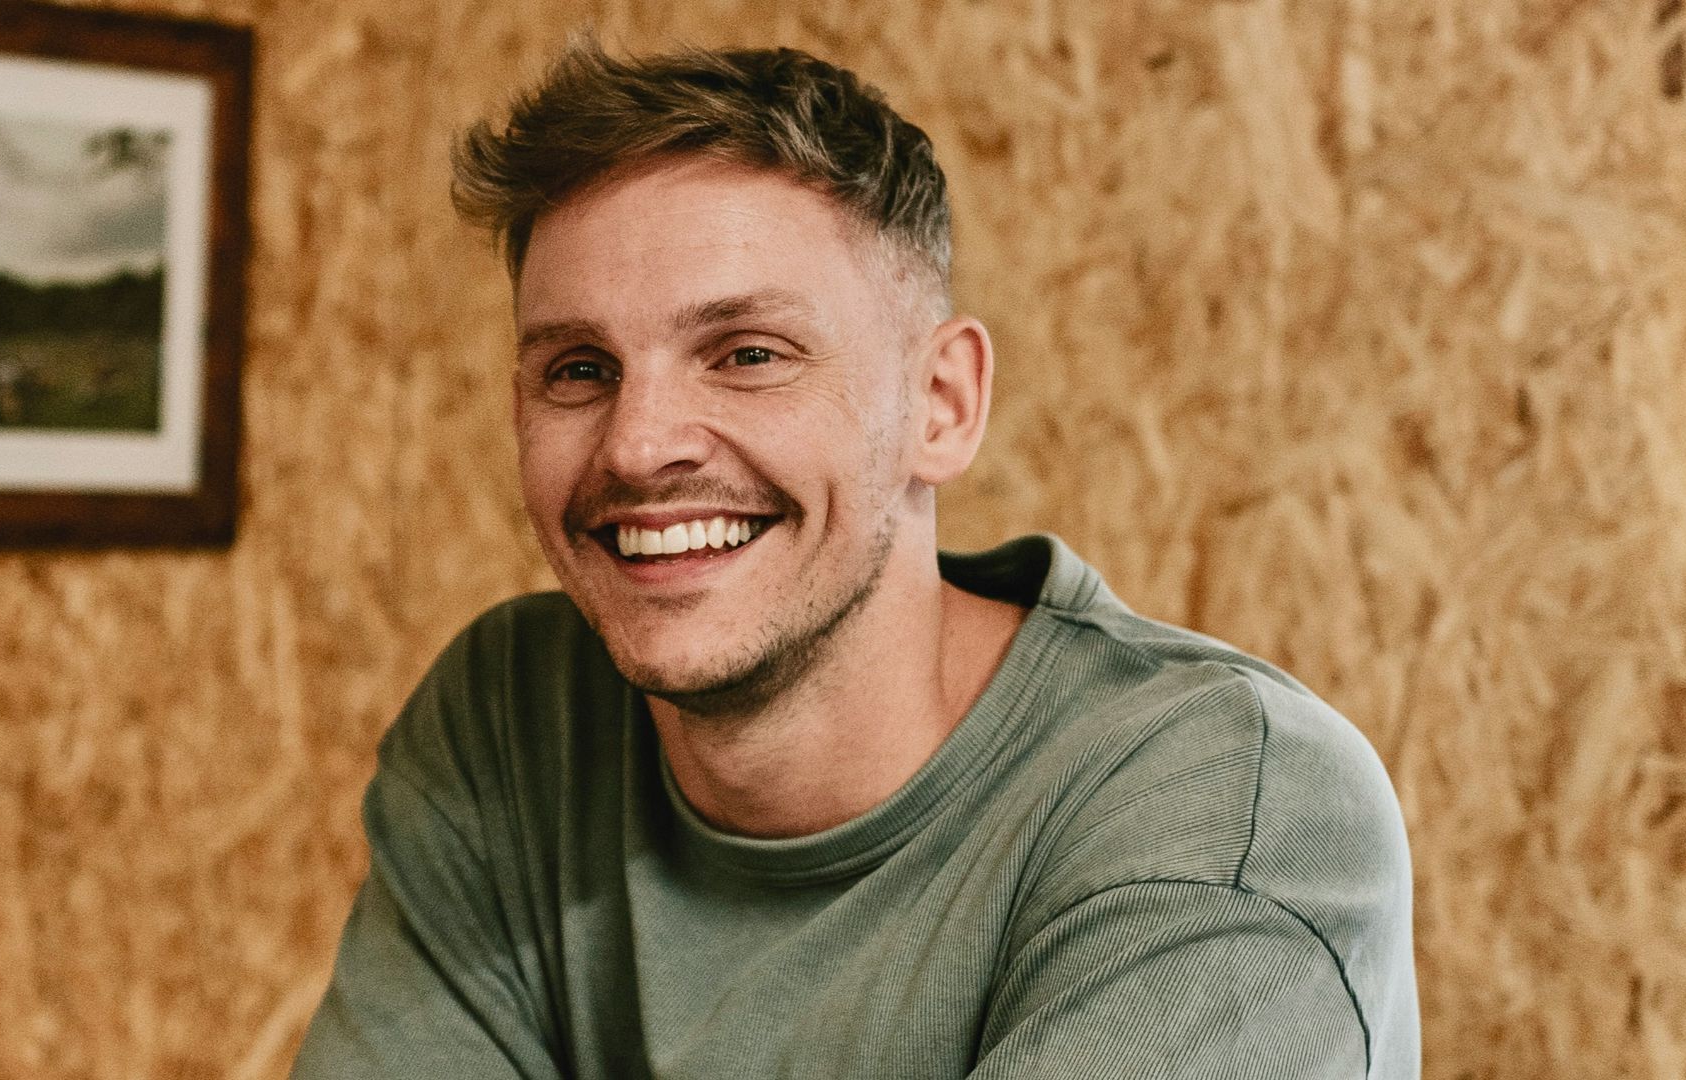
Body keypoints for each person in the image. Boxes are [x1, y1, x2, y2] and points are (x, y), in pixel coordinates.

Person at [293, 42, 1420, 1080]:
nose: (637, 446)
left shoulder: (1228, 802)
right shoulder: (512, 718)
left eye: (747, 354)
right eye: (579, 369)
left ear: (941, 404)